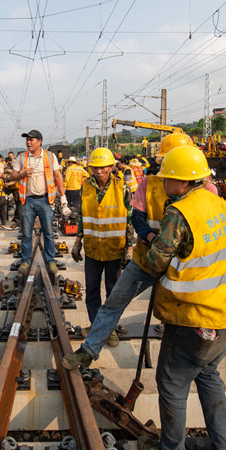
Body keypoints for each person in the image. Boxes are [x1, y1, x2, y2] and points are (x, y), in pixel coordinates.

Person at [63, 134, 226, 371]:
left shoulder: (208, 193)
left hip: (183, 268)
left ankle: (198, 370)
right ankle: (89, 350)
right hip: (147, 260)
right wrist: (152, 238)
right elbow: (139, 219)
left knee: (180, 318)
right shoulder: (151, 184)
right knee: (114, 302)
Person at [135, 145, 226, 450]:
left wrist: (147, 247)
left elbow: (156, 262)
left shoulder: (179, 212)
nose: (163, 183)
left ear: (185, 182)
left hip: (195, 317)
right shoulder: (217, 203)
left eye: (168, 179)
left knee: (172, 382)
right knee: (207, 374)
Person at [70, 148, 130, 347]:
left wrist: (129, 248)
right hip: (93, 250)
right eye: (95, 167)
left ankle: (110, 329)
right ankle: (96, 325)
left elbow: (130, 220)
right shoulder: (85, 187)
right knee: (92, 291)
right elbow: (81, 216)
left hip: (114, 249)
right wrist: (78, 242)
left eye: (103, 167)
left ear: (111, 167)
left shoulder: (123, 188)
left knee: (113, 293)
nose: (99, 171)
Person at [6, 130, 69, 276]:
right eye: (27, 140)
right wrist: (22, 174)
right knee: (27, 233)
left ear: (39, 141)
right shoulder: (22, 157)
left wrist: (63, 197)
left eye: (31, 140)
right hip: (27, 200)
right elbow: (12, 176)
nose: (28, 142)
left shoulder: (49, 156)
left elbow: (58, 176)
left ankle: (50, 260)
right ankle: (25, 260)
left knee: (48, 232)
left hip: (45, 200)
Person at [1, 157, 19, 224]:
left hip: (15, 187)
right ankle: (5, 218)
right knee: (5, 201)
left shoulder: (15, 168)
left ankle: (16, 218)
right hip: (8, 187)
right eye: (7, 162)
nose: (8, 163)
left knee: (17, 203)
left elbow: (15, 176)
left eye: (9, 161)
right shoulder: (5, 169)